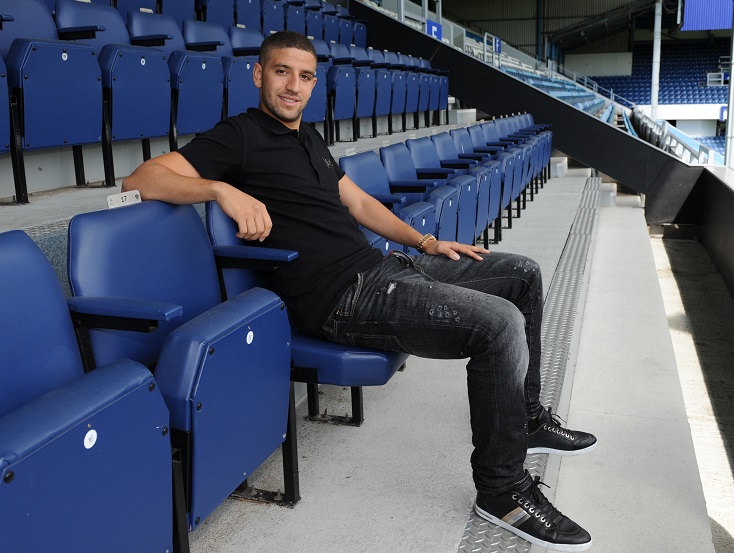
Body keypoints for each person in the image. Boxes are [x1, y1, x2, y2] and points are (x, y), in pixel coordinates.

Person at [123, 31, 596, 552]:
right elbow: (140, 179)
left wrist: (428, 242)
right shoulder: (238, 136)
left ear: (314, 85)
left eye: (305, 76)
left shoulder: (309, 139)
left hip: (386, 267)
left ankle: (526, 419)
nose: (293, 86)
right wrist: (220, 188)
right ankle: (502, 490)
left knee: (523, 274)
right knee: (499, 324)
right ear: (258, 74)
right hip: (344, 298)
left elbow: (361, 205)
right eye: (281, 71)